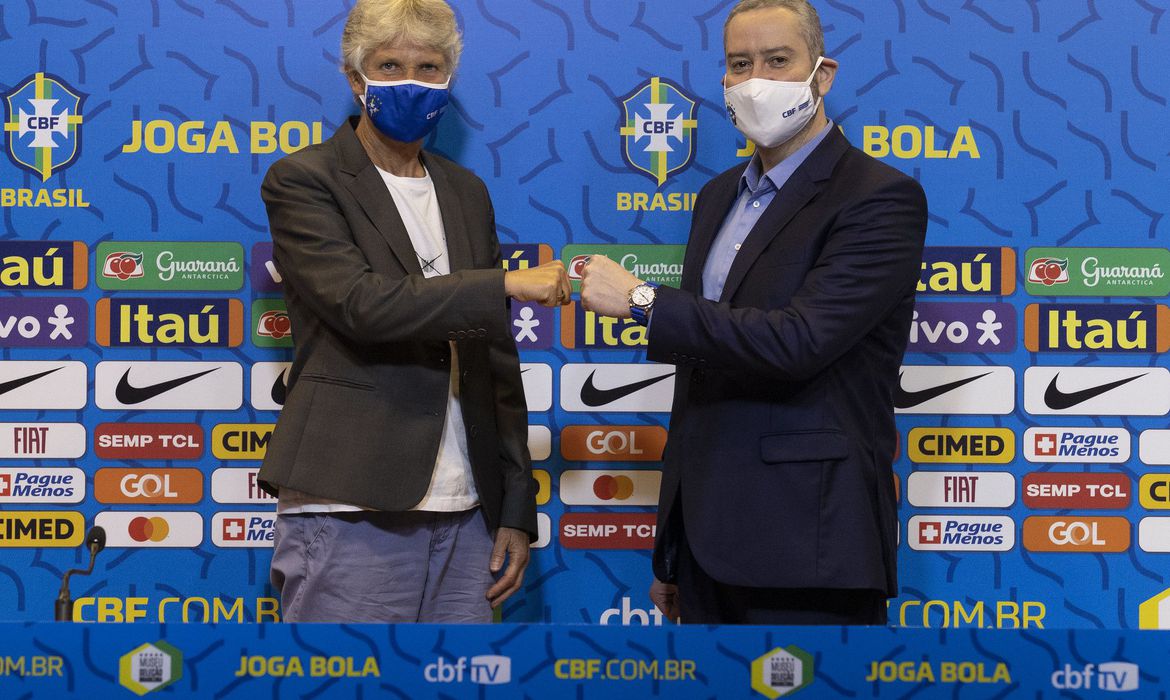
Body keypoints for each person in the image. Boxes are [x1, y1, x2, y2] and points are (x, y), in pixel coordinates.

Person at [580, 0, 927, 625]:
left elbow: (800, 341)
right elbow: (701, 375)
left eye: (778, 60)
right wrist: (675, 545)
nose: (756, 80)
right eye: (740, 64)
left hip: (809, 539)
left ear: (822, 75)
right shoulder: (719, 197)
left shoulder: (879, 197)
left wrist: (641, 300)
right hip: (705, 543)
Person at [257, 0, 571, 623]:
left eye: (428, 67)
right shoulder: (303, 180)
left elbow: (494, 358)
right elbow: (361, 305)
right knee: (343, 673)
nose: (411, 82)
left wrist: (514, 507)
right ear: (356, 78)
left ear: (448, 78)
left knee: (463, 675)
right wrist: (504, 283)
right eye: (389, 66)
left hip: (468, 509)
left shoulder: (465, 191)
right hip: (351, 500)